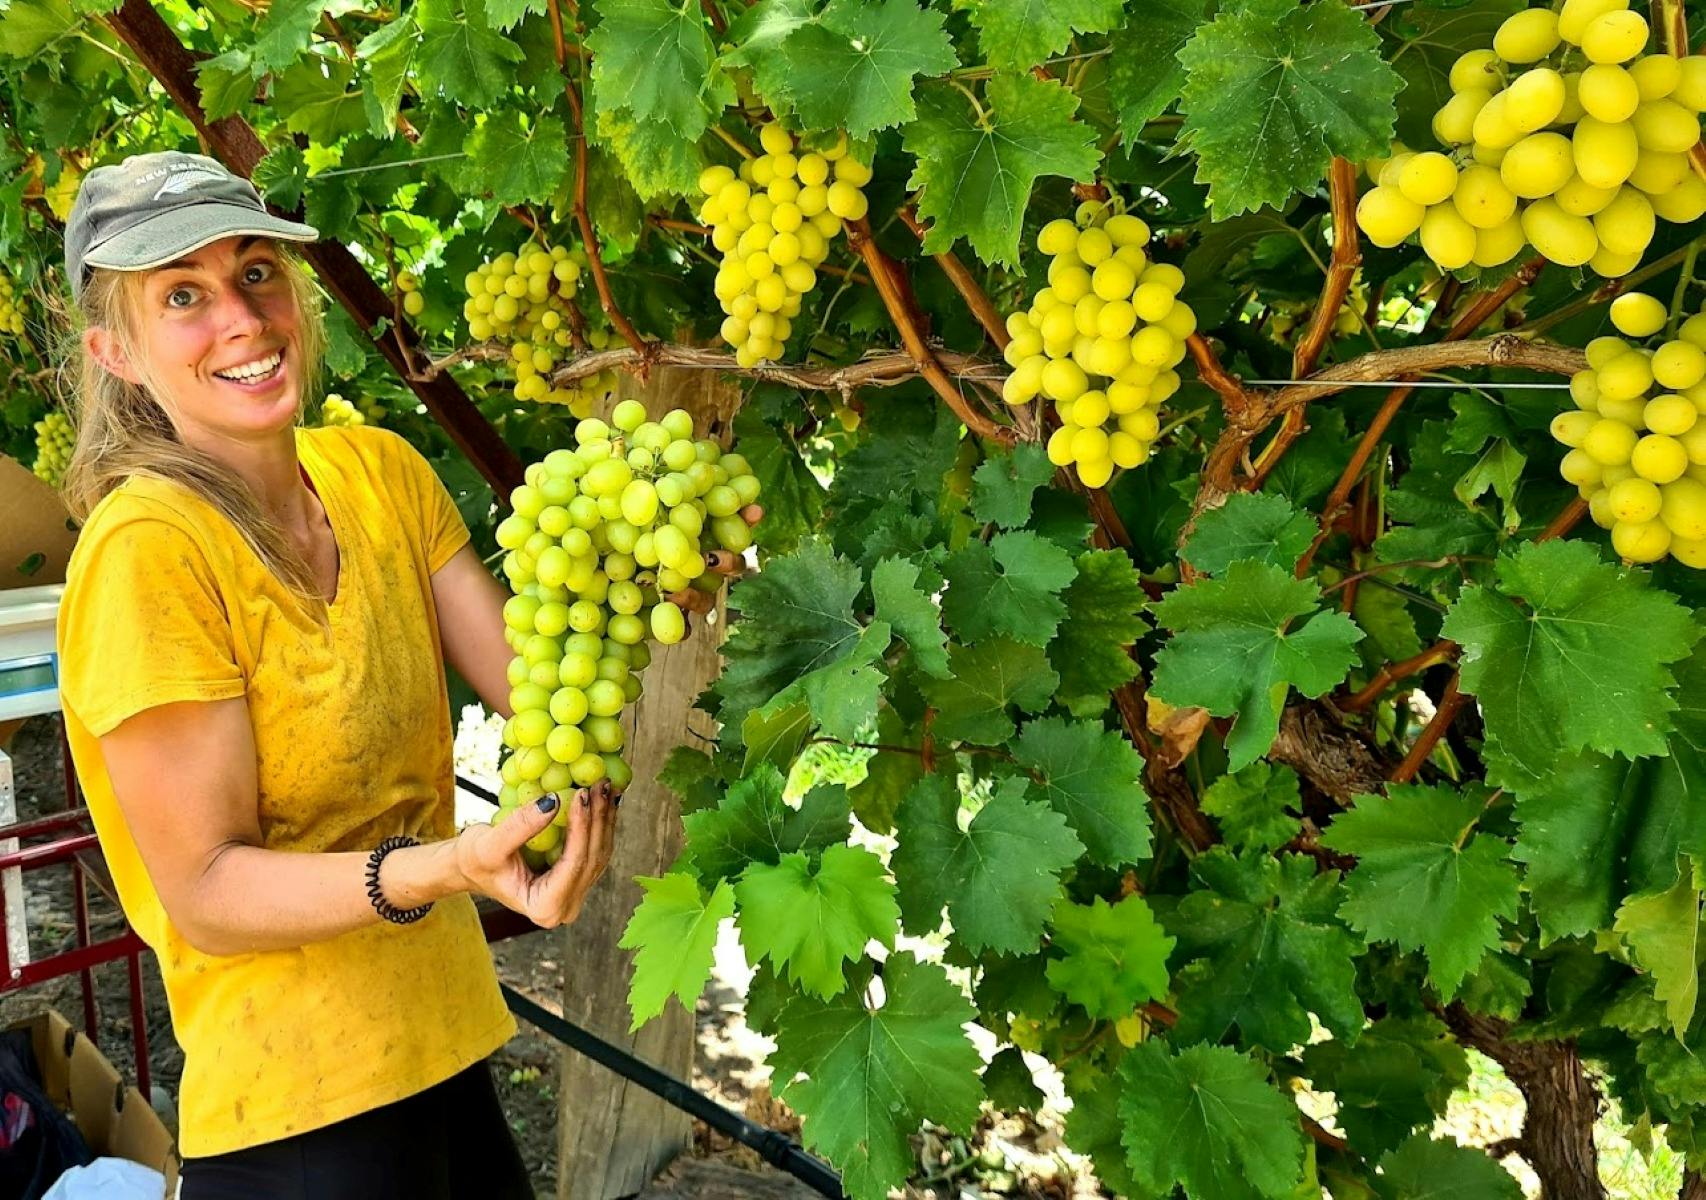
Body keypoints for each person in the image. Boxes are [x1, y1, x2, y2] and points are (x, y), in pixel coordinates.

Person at [50, 150, 621, 1199]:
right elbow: (208, 894)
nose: (241, 317)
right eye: (183, 295)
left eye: (255, 269)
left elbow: (538, 691)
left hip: (444, 1048)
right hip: (300, 1122)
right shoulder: (149, 554)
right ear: (114, 352)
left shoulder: (381, 473)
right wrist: (445, 868)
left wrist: (644, 578)